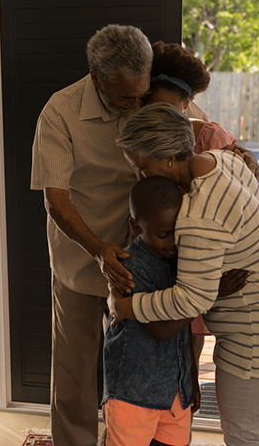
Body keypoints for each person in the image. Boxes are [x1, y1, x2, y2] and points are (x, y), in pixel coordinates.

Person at [111, 103, 259, 446]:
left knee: (245, 436)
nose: (140, 176)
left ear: (169, 158)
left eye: (143, 167)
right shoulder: (226, 161)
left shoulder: (199, 215)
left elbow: (192, 298)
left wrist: (124, 307)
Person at [30, 24, 154, 446]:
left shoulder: (149, 96)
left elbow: (203, 132)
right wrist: (99, 251)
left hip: (142, 262)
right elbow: (56, 198)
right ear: (96, 78)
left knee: (139, 374)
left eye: (140, 95)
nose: (135, 105)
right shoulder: (60, 111)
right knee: (75, 379)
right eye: (125, 98)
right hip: (82, 260)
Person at [141, 41, 259, 368]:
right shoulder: (140, 143)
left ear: (187, 105)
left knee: (193, 344)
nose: (162, 120)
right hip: (161, 257)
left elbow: (250, 195)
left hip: (204, 264)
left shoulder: (209, 139)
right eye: (152, 110)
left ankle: (191, 391)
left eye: (172, 112)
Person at [102, 176, 196, 446]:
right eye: (163, 234)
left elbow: (183, 334)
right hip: (133, 394)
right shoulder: (129, 268)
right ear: (136, 226)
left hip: (175, 392)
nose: (173, 241)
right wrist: (207, 296)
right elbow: (160, 330)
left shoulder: (184, 258)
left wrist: (189, 381)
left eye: (178, 231)